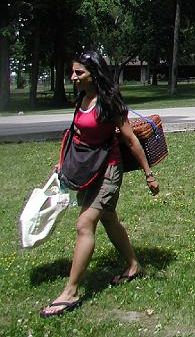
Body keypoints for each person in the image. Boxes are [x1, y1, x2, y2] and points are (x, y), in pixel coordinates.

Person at [40, 51, 159, 318]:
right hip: (87, 170)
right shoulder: (82, 98)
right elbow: (77, 134)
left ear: (94, 74)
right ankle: (133, 266)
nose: (73, 77)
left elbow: (130, 140)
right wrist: (64, 163)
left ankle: (70, 292)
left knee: (84, 224)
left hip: (108, 170)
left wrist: (148, 174)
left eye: (78, 73)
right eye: (72, 72)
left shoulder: (109, 103)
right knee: (109, 220)